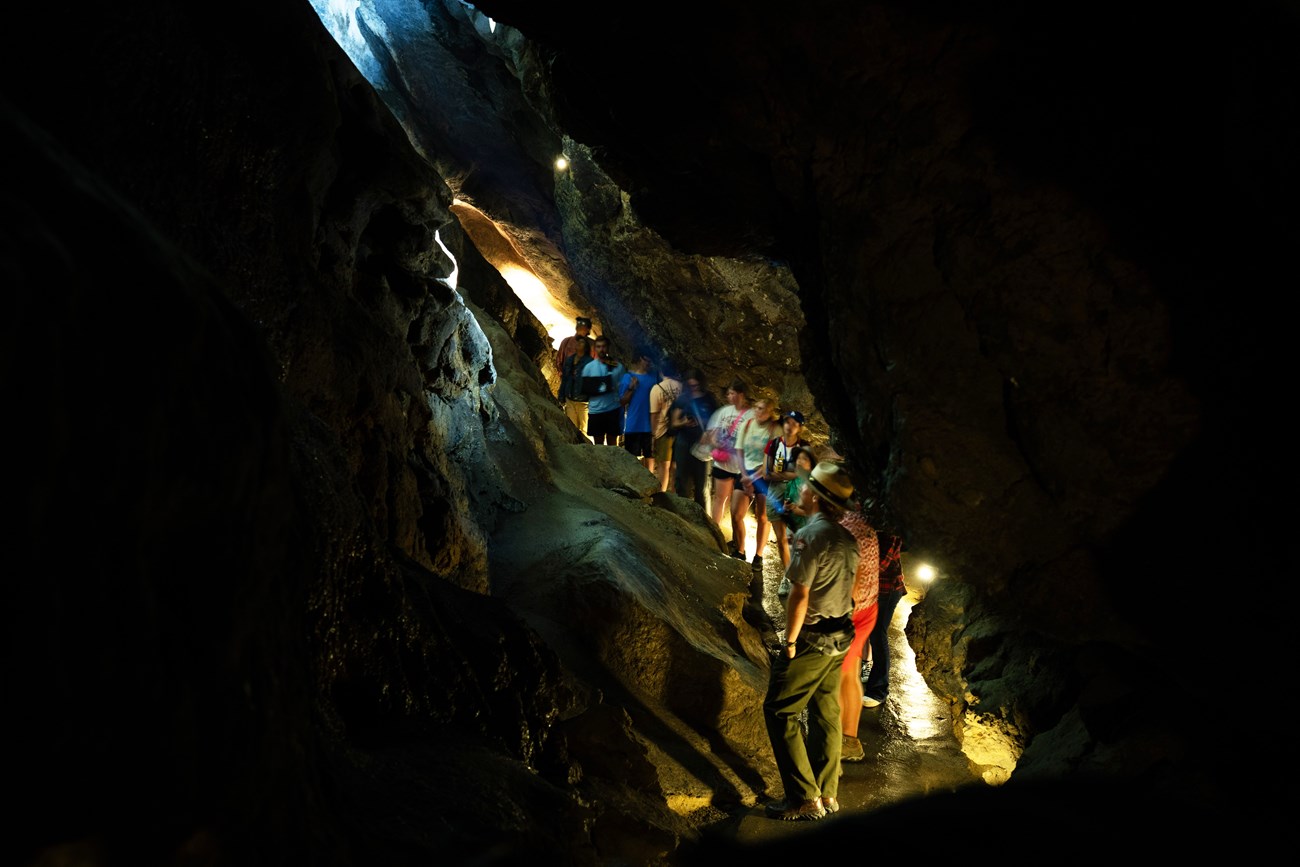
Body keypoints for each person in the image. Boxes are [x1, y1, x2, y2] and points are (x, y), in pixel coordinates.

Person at [763, 461, 859, 821]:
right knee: (825, 711)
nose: (800, 489)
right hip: (841, 636)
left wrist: (789, 641)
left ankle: (803, 797)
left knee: (780, 710)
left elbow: (799, 594)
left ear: (816, 497)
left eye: (806, 486)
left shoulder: (811, 536)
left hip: (813, 639)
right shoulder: (846, 539)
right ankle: (827, 792)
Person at [837, 497, 881, 764]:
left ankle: (839, 741)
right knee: (851, 674)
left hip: (849, 613)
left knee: (838, 679)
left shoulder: (843, 529)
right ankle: (850, 739)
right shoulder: (865, 521)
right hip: (868, 608)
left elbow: (850, 581)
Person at [732, 391, 782, 571]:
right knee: (736, 513)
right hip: (745, 472)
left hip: (765, 475)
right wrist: (745, 476)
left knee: (762, 516)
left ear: (770, 413)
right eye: (756, 408)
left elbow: (772, 459)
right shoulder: (747, 424)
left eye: (762, 409)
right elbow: (739, 451)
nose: (757, 411)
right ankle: (740, 550)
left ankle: (758, 556)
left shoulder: (775, 429)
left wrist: (752, 478)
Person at [701, 379, 749, 555]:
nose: (729, 396)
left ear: (741, 394)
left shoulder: (749, 415)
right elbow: (709, 435)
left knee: (737, 513)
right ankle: (715, 535)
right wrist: (717, 443)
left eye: (732, 393)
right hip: (723, 463)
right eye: (728, 393)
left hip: (743, 467)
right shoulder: (722, 412)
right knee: (720, 499)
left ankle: (739, 547)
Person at [861, 529, 906, 708]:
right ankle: (864, 667)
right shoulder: (863, 526)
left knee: (878, 636)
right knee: (865, 631)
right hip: (868, 589)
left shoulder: (890, 533)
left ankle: (878, 690)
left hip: (886, 591)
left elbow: (878, 565)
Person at [765, 410, 810, 572]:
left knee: (798, 538)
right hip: (776, 491)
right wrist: (790, 474)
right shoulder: (774, 444)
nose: (789, 426)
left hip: (796, 493)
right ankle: (788, 575)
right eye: (787, 422)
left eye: (794, 423)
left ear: (800, 428)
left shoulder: (804, 447)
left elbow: (804, 472)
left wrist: (782, 474)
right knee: (781, 538)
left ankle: (801, 574)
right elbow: (767, 473)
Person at [669, 369, 716, 509]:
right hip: (684, 442)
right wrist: (684, 422)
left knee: (703, 483)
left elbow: (716, 421)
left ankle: (703, 518)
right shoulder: (683, 399)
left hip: (703, 445)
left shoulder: (709, 398)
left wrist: (707, 433)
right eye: (691, 386)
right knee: (682, 481)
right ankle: (683, 514)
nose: (693, 388)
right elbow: (674, 422)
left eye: (696, 385)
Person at [776, 446, 816, 598]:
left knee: (804, 558)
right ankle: (787, 579)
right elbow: (788, 496)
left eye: (804, 459)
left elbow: (816, 510)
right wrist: (787, 506)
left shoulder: (814, 483)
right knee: (790, 552)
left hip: (809, 527)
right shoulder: (794, 480)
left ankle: (804, 588)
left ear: (811, 464)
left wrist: (797, 510)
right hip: (793, 525)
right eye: (798, 458)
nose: (800, 461)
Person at [581, 335, 626, 446]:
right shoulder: (589, 367)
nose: (601, 349)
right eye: (598, 347)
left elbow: (624, 387)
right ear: (594, 348)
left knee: (612, 444)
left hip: (613, 410)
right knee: (598, 444)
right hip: (596, 411)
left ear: (608, 348)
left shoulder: (618, 367)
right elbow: (585, 389)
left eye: (604, 346)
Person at [619, 348, 657, 470]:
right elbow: (622, 402)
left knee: (650, 457)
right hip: (633, 425)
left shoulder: (654, 377)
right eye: (647, 360)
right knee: (631, 459)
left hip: (649, 426)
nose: (649, 363)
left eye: (651, 361)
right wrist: (631, 388)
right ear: (640, 358)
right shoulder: (628, 377)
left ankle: (652, 486)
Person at [649, 359, 682, 492]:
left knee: (664, 466)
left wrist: (652, 435)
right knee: (676, 466)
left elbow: (654, 414)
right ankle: (676, 495)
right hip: (680, 430)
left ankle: (662, 495)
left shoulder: (657, 389)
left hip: (663, 431)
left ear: (661, 371)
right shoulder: (682, 387)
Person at [559, 335, 592, 438]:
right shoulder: (569, 360)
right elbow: (564, 379)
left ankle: (585, 452)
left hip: (583, 402)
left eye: (581, 343)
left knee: (584, 430)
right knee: (570, 428)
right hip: (570, 399)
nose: (578, 345)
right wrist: (561, 396)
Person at [555, 315, 593, 379]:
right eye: (579, 323)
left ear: (588, 330)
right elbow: (559, 361)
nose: (580, 326)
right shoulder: (566, 341)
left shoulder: (592, 345)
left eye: (583, 324)